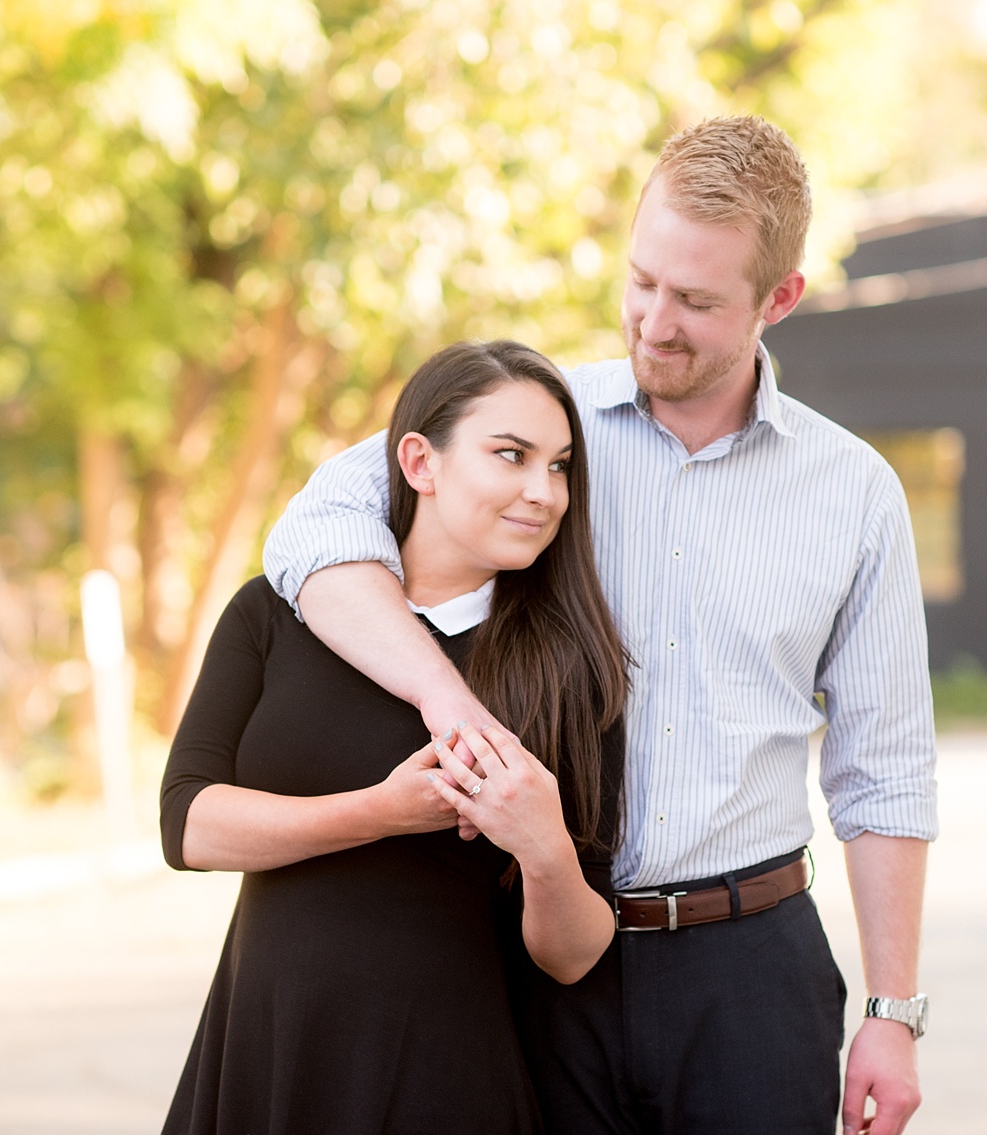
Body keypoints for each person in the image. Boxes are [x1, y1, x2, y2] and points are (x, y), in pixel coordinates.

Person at [264, 116, 937, 1135]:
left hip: (748, 973)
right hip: (538, 956)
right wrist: (444, 699)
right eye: (641, 281)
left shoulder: (853, 493)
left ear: (779, 298)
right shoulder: (533, 433)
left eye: (696, 301)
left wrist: (892, 1012)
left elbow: (882, 768)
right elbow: (313, 525)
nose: (653, 322)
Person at [159, 340, 630, 1135]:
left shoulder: (569, 670)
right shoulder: (277, 611)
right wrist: (379, 810)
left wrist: (544, 847)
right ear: (419, 460)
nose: (542, 491)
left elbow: (576, 952)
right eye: (510, 455)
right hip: (269, 1053)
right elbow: (187, 825)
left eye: (559, 466)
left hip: (445, 1078)